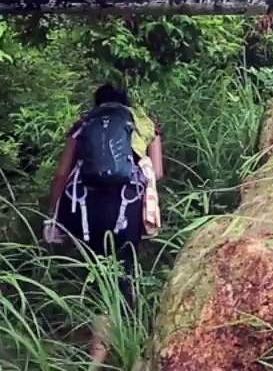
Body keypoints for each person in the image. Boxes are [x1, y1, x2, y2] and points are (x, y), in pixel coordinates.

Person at [44, 84, 163, 367]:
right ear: (127, 102)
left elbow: (62, 174)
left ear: (96, 102)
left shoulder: (83, 123)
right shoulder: (143, 123)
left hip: (84, 207)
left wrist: (53, 214)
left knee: (96, 272)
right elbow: (157, 172)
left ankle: (98, 350)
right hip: (126, 204)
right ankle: (115, 348)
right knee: (124, 269)